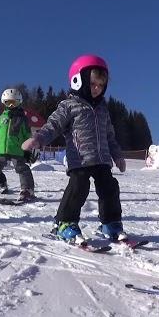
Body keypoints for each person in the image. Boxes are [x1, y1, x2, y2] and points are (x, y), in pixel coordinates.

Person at [22, 54, 127, 244]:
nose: (97, 89)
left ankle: (110, 224)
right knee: (79, 186)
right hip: (80, 159)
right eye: (94, 84)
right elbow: (53, 125)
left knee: (110, 187)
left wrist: (117, 156)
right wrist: (38, 138)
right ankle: (64, 223)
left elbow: (109, 135)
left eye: (101, 86)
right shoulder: (69, 105)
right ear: (79, 81)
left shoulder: (103, 108)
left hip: (102, 159)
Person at [0, 89, 35, 202]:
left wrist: (28, 150)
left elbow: (27, 135)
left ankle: (27, 190)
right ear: (4, 103)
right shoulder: (0, 119)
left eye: (15, 102)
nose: (12, 105)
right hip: (1, 149)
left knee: (22, 168)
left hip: (17, 150)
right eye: (9, 102)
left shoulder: (23, 119)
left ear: (19, 103)